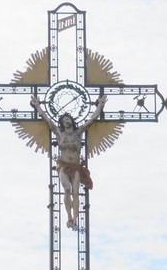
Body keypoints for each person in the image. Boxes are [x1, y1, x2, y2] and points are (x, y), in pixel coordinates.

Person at [30, 92, 108, 229]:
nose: (66, 121)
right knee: (67, 188)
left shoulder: (79, 133)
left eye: (68, 119)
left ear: (71, 121)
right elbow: (48, 121)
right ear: (62, 123)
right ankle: (69, 216)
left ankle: (75, 219)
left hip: (75, 167)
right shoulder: (60, 134)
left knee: (75, 192)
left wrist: (100, 106)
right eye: (64, 120)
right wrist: (37, 107)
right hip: (63, 166)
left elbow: (91, 120)